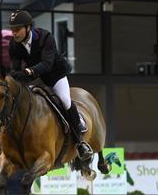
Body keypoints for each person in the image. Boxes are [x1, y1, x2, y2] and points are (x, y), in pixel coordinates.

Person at [7, 9, 93, 161]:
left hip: (55, 75)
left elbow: (47, 64)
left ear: (28, 27)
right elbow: (15, 68)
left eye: (17, 29)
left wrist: (28, 71)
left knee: (65, 100)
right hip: (35, 78)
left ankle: (80, 140)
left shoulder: (45, 37)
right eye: (12, 29)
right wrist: (14, 77)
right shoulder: (14, 44)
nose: (14, 32)